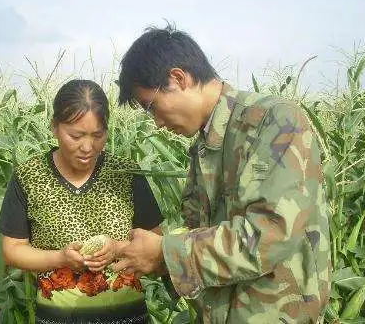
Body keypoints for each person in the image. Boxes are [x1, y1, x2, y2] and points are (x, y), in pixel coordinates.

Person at [111, 25, 331, 323]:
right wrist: (148, 254)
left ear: (179, 78)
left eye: (152, 107)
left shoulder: (275, 122)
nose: (157, 123)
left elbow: (270, 234)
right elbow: (205, 233)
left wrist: (166, 253)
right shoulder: (205, 146)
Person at [0, 79, 163, 324]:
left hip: (128, 317)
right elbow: (12, 251)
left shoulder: (126, 173)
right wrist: (61, 258)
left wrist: (117, 248)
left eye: (98, 135)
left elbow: (156, 242)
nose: (87, 147)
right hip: (57, 317)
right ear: (55, 127)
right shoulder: (29, 177)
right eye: (75, 136)